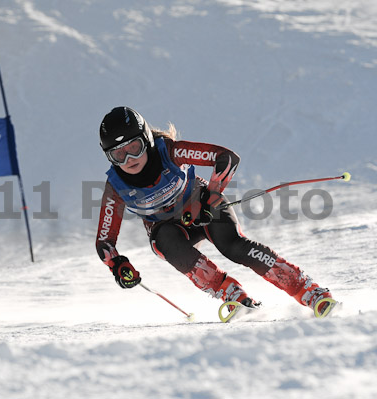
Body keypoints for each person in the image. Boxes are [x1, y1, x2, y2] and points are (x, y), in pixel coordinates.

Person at [95, 106, 335, 318]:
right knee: (163, 241)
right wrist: (118, 265)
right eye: (118, 154)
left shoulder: (170, 152)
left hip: (202, 208)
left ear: (146, 139)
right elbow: (105, 241)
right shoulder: (116, 186)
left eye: (134, 147)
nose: (129, 159)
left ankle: (308, 290)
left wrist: (210, 197)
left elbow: (227, 158)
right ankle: (232, 294)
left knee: (233, 246)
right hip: (171, 230)